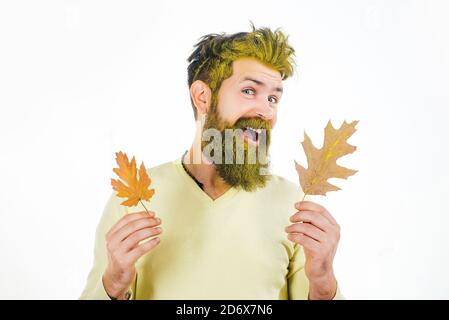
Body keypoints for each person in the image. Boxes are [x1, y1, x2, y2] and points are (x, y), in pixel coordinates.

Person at [80, 24, 344, 300]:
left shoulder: (295, 207)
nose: (267, 111)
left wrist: (324, 282)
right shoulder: (131, 201)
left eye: (273, 98)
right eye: (249, 91)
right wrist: (113, 283)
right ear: (202, 97)